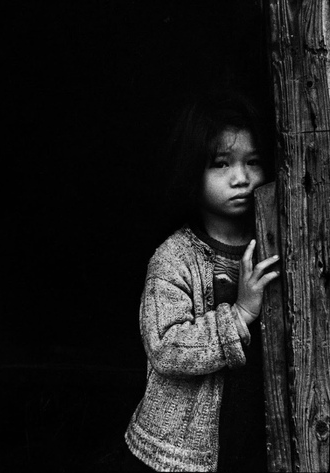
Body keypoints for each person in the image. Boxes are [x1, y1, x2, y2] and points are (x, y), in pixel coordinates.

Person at [122, 91, 279, 472]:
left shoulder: (280, 242)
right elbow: (165, 347)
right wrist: (239, 314)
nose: (241, 178)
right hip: (181, 451)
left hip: (257, 435)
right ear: (193, 170)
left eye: (253, 162)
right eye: (221, 164)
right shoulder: (174, 258)